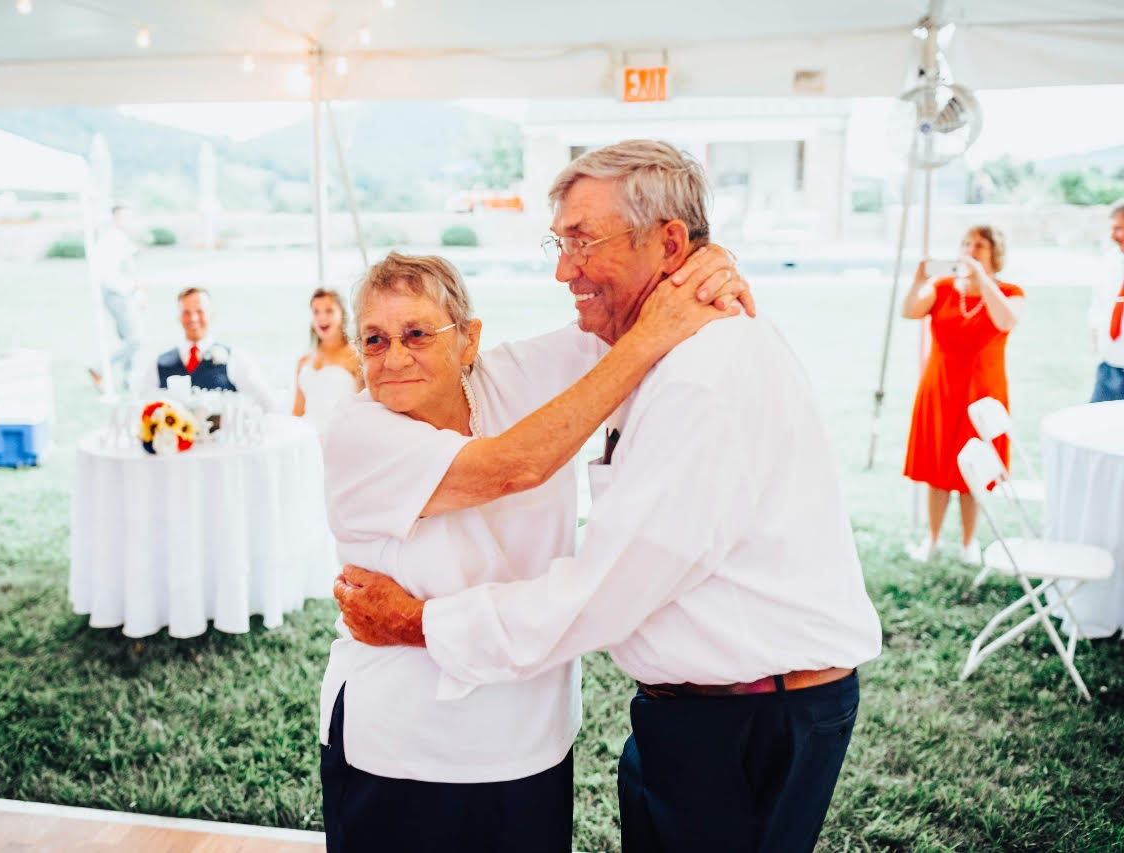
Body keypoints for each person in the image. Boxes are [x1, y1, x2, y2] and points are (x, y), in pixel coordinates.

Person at [333, 140, 883, 853]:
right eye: (374, 340)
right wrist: (689, 279)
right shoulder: (650, 343)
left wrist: (420, 623)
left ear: (669, 242)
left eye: (582, 241)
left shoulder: (696, 375)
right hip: (689, 717)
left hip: (741, 721)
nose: (564, 269)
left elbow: (604, 587)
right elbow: (517, 457)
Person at [319, 243, 748, 853]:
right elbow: (512, 467)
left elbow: (622, 317)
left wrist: (700, 267)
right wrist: (653, 333)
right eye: (374, 340)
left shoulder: (509, 377)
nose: (394, 357)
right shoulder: (356, 434)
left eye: (416, 333)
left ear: (468, 340)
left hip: (531, 736)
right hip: (404, 744)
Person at [902, 226, 1025, 564]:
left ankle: (969, 541)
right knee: (937, 466)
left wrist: (981, 279)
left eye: (979, 245)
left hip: (982, 392)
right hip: (941, 387)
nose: (970, 250)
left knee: (975, 467)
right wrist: (917, 280)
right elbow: (909, 311)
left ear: (994, 252)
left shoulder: (1010, 292)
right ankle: (933, 538)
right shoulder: (943, 288)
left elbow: (1005, 321)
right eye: (966, 243)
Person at [137, 287, 276, 412]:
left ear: (211, 314)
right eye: (186, 312)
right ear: (179, 317)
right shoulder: (158, 364)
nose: (193, 318)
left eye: (199, 311)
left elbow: (266, 403)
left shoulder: (235, 358)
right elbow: (143, 409)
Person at [292, 288, 363, 432]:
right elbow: (297, 412)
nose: (322, 317)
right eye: (316, 312)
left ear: (342, 314)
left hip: (341, 435)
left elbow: (362, 411)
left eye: (329, 311)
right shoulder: (303, 362)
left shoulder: (355, 357)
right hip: (307, 437)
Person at [91, 204, 144, 392]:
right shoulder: (111, 240)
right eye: (123, 217)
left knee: (128, 338)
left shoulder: (121, 239)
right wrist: (131, 288)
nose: (127, 221)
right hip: (117, 294)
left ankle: (129, 380)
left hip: (125, 293)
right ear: (114, 218)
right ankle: (98, 368)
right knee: (135, 340)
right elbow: (107, 274)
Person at [1089, 202, 1124, 402]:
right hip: (1110, 371)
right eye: (1113, 229)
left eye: (1120, 228)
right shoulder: (1111, 261)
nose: (1114, 235)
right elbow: (1099, 304)